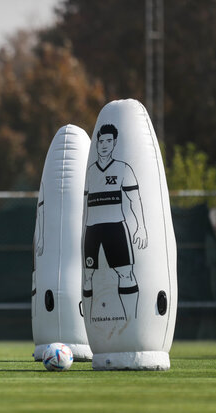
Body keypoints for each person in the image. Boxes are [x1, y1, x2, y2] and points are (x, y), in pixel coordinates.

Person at [82, 124, 147, 321]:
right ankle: (92, 324)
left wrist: (141, 227)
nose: (104, 145)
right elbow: (84, 206)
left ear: (114, 143)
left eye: (108, 141)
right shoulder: (90, 172)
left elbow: (135, 199)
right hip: (92, 230)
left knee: (126, 274)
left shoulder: (122, 168)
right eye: (101, 141)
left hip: (115, 228)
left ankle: (130, 321)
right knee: (87, 276)